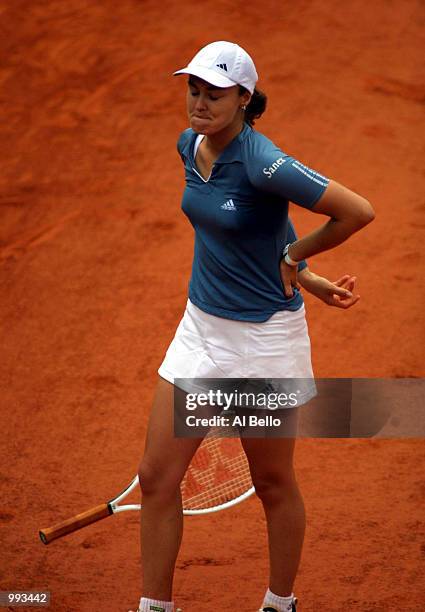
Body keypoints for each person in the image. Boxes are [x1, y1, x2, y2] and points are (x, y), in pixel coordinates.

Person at [129, 41, 374, 612]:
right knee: (156, 477)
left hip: (265, 345)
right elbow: (247, 228)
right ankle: (154, 607)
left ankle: (279, 603)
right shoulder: (189, 147)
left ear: (244, 98)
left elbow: (356, 211)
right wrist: (304, 272)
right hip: (200, 334)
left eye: (214, 92)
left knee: (272, 483)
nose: (199, 101)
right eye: (193, 89)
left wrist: (295, 260)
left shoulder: (265, 160)